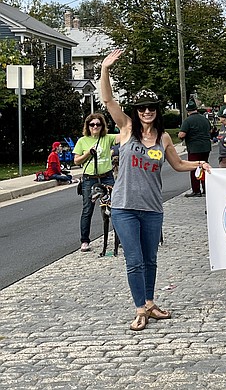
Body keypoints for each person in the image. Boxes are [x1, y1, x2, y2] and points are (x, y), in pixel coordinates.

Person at [100, 49, 212, 332]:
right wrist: (105, 70)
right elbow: (108, 100)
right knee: (134, 260)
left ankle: (150, 302)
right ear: (136, 112)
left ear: (157, 110)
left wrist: (199, 163)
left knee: (151, 259)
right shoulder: (126, 129)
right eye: (141, 108)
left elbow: (177, 165)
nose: (146, 112)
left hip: (152, 208)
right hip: (124, 207)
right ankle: (139, 309)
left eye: (151, 108)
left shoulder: (163, 137)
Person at [73, 113, 116, 252]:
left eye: (98, 124)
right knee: (87, 209)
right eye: (92, 124)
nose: (95, 127)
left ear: (102, 126)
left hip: (106, 176)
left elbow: (123, 136)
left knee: (114, 207)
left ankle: (120, 237)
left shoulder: (107, 138)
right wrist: (88, 154)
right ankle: (84, 240)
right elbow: (76, 160)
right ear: (88, 126)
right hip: (89, 178)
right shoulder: (82, 141)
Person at [178, 100, 212, 197]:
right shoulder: (205, 119)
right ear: (196, 109)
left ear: (188, 111)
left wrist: (180, 136)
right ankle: (206, 188)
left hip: (194, 148)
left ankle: (196, 190)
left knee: (194, 168)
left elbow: (182, 134)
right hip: (206, 146)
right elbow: (210, 129)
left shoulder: (188, 121)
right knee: (205, 167)